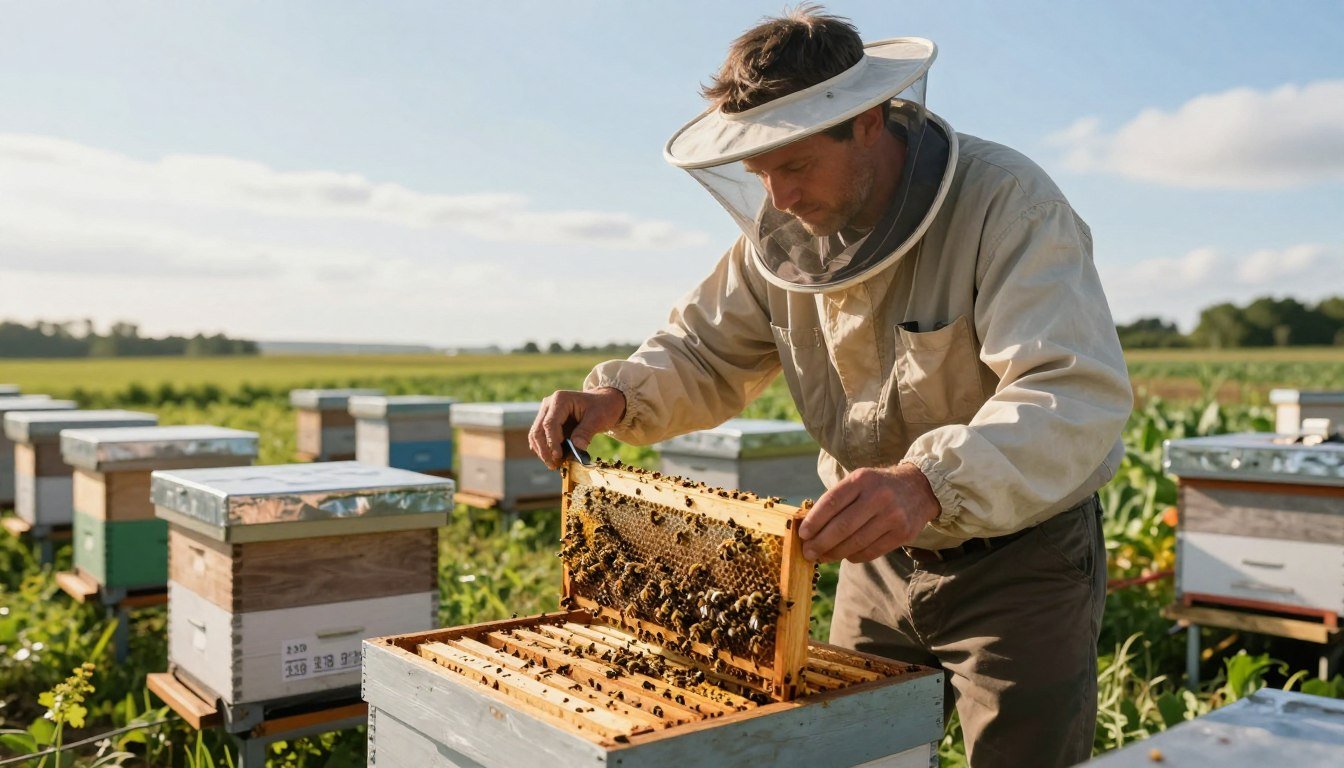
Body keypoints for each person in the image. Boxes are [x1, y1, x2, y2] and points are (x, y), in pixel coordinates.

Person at [530, 6, 1132, 766]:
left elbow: (1071, 392)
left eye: (796, 165)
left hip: (1020, 562)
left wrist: (928, 482)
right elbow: (703, 349)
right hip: (870, 561)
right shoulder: (780, 238)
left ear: (870, 121)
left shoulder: (1009, 205)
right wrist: (617, 397)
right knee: (856, 753)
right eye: (759, 173)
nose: (777, 197)